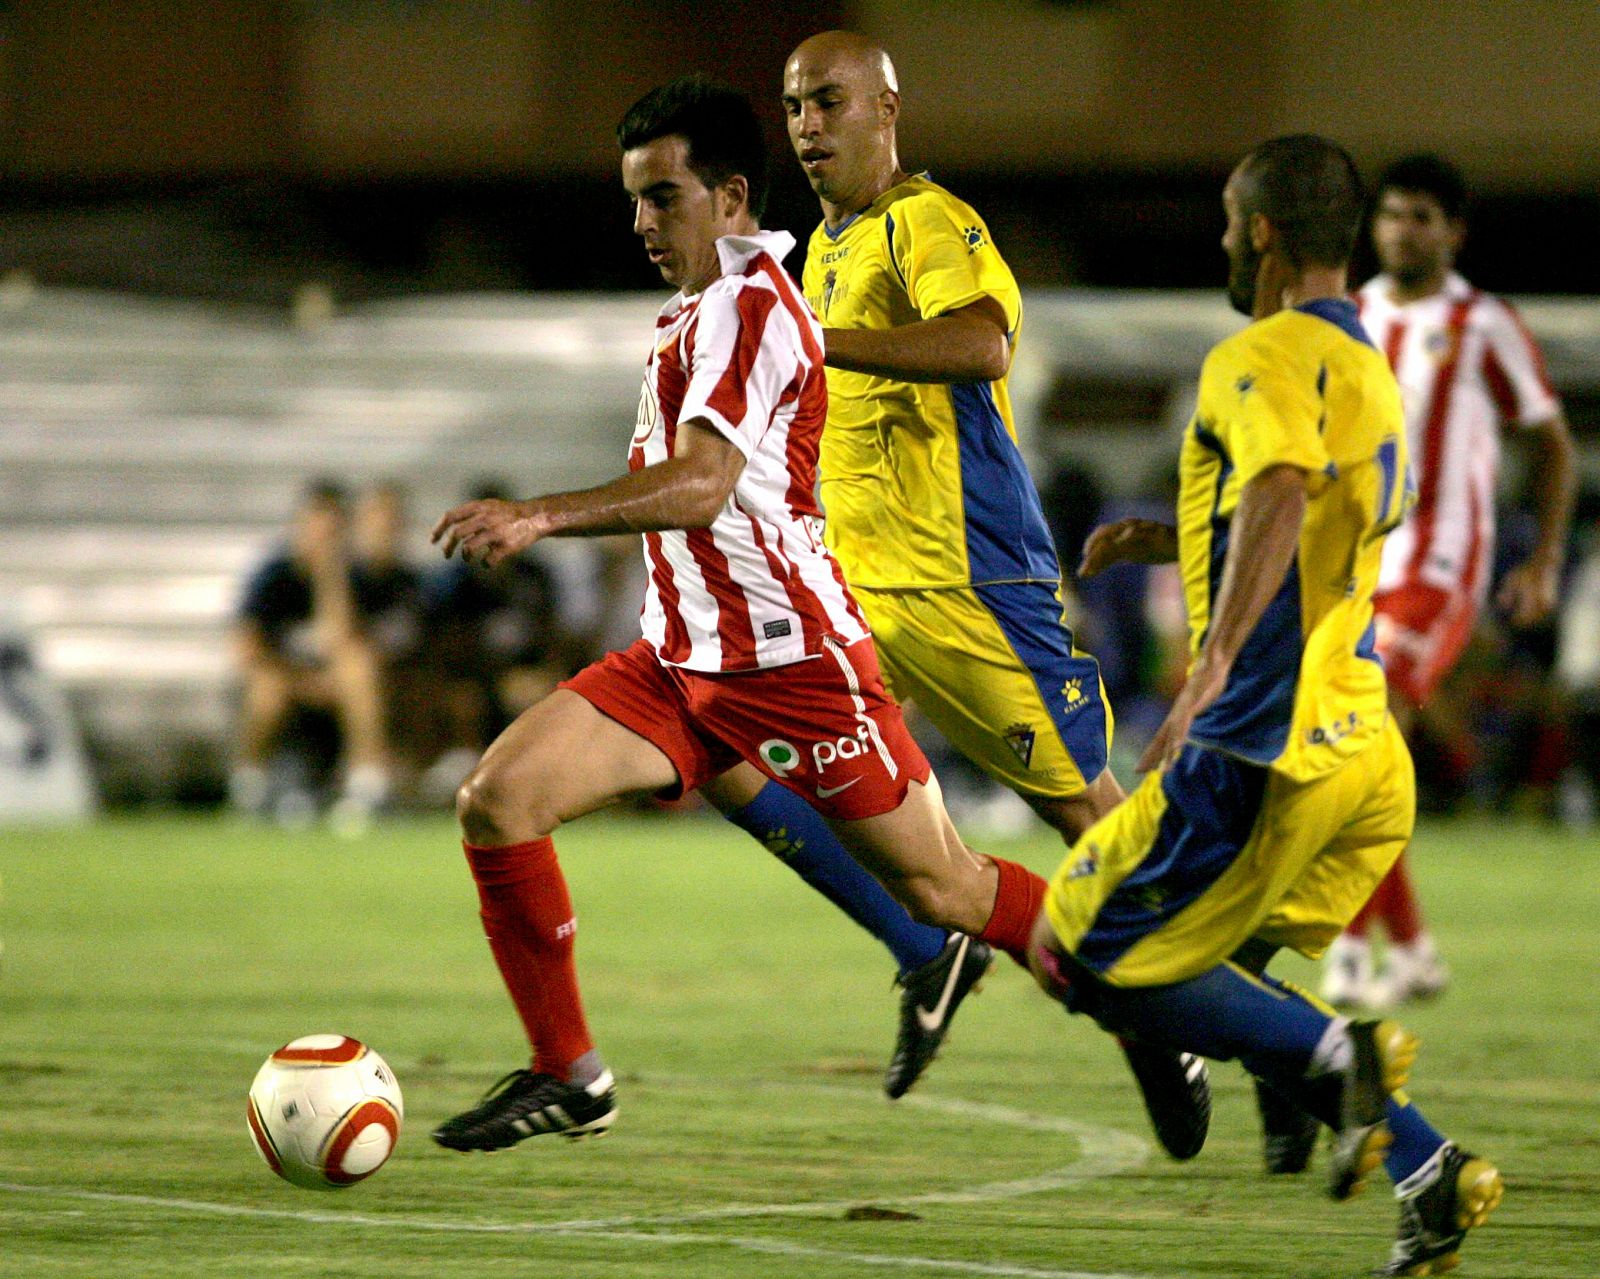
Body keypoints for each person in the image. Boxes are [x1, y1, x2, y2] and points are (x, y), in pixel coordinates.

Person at [427, 77, 1066, 1153]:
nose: (639, 223)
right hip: (685, 661)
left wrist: (536, 514)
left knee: (950, 884)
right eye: (631, 200)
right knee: (498, 799)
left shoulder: (754, 304)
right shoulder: (700, 305)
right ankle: (569, 1073)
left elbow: (700, 485)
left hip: (792, 660)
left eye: (661, 198)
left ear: (728, 197)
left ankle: (1170, 999)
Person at [661, 29, 1204, 1151]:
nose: (806, 126)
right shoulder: (819, 249)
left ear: (886, 108)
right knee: (707, 740)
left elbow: (983, 345)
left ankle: (1202, 1018)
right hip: (847, 589)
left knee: (1087, 823)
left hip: (963, 586)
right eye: (795, 107)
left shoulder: (930, 221)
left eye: (827, 102)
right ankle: (928, 946)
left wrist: (821, 339)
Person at [1030, 134, 1502, 1277]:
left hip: (1259, 747)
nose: (1223, 238)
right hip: (1359, 749)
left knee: (1070, 948)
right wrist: (1172, 537)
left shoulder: (1260, 352)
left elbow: (1284, 487)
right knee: (1224, 971)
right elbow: (1304, 510)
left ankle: (1342, 1063)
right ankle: (1430, 1173)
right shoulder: (1366, 361)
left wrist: (1204, 671)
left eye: (1229, 218)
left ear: (1266, 234)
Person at [1319, 155, 1576, 1010]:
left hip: (1442, 561)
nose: (1402, 229)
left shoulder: (1483, 322)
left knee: (1364, 729)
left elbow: (1552, 443)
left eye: (1422, 216)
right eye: (1391, 214)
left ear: (1453, 232)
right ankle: (1416, 950)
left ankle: (1353, 951)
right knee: (1354, 743)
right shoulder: (1350, 317)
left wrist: (1541, 563)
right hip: (1360, 565)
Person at [230, 479, 393, 826]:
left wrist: (330, 579)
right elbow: (247, 650)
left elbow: (343, 638)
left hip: (337, 685)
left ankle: (366, 783)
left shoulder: (356, 579)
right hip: (290, 681)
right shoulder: (274, 577)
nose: (324, 537)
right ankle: (250, 783)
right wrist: (304, 683)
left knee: (358, 667)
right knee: (266, 687)